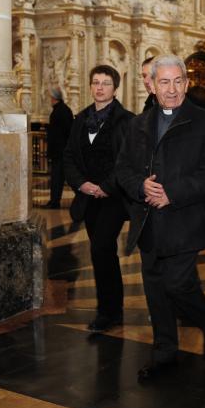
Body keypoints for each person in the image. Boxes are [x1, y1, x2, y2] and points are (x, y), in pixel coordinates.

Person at [115, 55, 205, 380]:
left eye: (178, 81)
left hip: (185, 219)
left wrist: (172, 192)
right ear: (151, 84)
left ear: (187, 84)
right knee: (155, 291)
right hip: (149, 221)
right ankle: (164, 353)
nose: (172, 89)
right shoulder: (138, 124)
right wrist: (140, 185)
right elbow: (123, 169)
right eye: (164, 82)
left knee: (178, 284)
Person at [63, 65, 135, 332]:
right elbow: (69, 156)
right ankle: (112, 308)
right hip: (88, 197)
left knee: (101, 248)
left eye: (106, 83)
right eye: (96, 82)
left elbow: (128, 161)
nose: (100, 87)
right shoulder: (80, 119)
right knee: (103, 252)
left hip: (113, 197)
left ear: (115, 88)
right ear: (90, 86)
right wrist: (82, 184)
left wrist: (106, 186)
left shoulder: (127, 120)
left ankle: (108, 312)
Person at [46, 88, 74, 208]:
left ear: (53, 98)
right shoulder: (64, 110)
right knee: (61, 177)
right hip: (62, 150)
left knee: (57, 178)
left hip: (59, 151)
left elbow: (58, 134)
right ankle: (54, 201)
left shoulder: (58, 111)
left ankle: (54, 202)